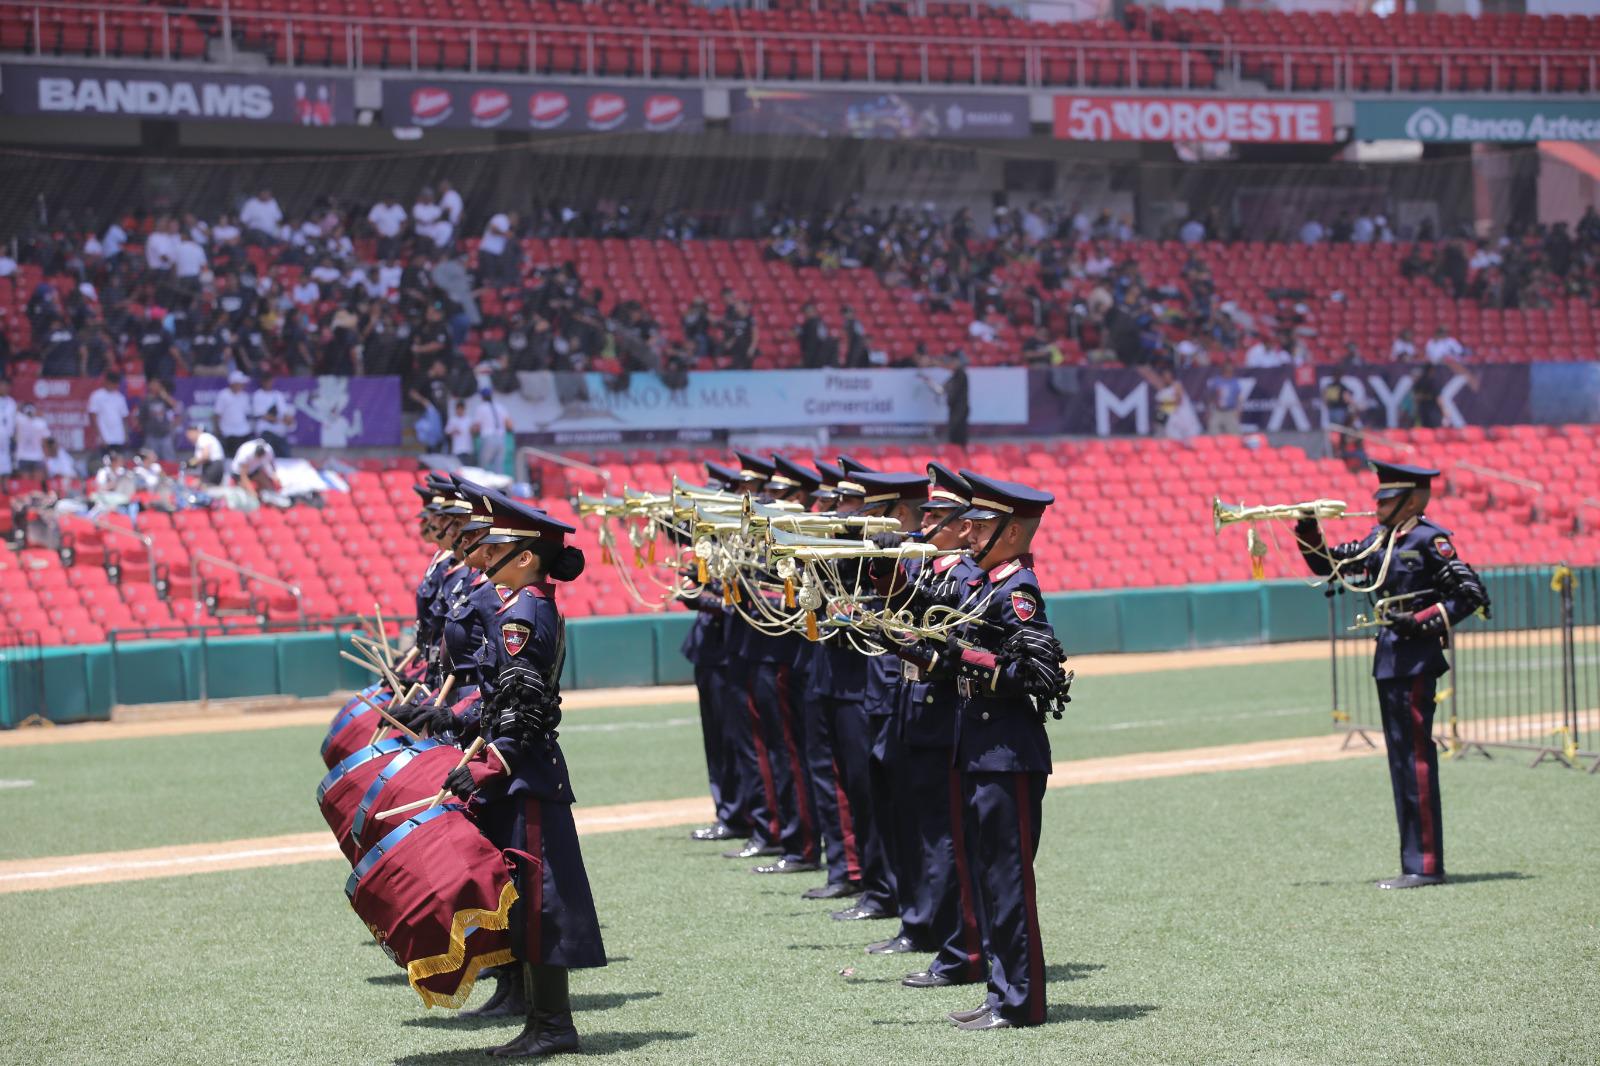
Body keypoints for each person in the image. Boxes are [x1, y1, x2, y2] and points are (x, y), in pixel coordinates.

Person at [440, 494, 606, 1058]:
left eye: (499, 546)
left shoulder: (524, 612)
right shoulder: (524, 605)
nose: (486, 554)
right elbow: (498, 698)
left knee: (540, 897)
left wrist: (489, 766)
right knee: (523, 898)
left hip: (525, 777)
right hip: (516, 775)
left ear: (528, 557)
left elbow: (525, 708)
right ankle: (539, 1019)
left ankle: (553, 1025)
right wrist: (453, 718)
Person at [918, 470, 1068, 1030]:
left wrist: (963, 659)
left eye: (982, 525)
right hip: (981, 748)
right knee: (990, 877)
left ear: (1011, 533)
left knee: (1010, 880)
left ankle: (1022, 1002)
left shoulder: (1017, 591)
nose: (971, 534)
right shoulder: (983, 585)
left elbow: (1040, 671)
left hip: (1009, 753)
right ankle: (1001, 990)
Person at [1294, 462, 1489, 889]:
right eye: (1378, 497)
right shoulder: (1379, 540)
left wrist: (1420, 622)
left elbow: (1470, 595)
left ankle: (1425, 865)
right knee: (1401, 761)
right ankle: (1414, 863)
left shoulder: (1429, 540)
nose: (1376, 504)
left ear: (1413, 500)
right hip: (1390, 659)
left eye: (1386, 498)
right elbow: (1331, 567)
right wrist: (1307, 529)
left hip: (1417, 659)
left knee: (1416, 760)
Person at [868, 464, 986, 989]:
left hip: (943, 715)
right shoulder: (932, 570)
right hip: (916, 708)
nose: (926, 522)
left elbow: (940, 639)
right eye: (928, 514)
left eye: (936, 516)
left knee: (946, 835)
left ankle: (946, 937)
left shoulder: (962, 577)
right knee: (920, 827)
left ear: (963, 526)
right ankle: (923, 924)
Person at [87, 371, 130, 459]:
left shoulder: (120, 397)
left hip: (119, 437)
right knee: (106, 463)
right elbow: (93, 417)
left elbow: (124, 418)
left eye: (116, 384)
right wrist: (100, 436)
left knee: (119, 463)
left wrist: (126, 435)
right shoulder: (97, 396)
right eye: (113, 384)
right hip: (105, 438)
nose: (115, 386)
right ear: (107, 382)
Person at [251, 373, 294, 457]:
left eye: (271, 381)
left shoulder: (278, 395)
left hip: (279, 432)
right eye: (267, 381)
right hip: (265, 432)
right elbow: (262, 415)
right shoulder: (258, 395)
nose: (270, 383)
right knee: (263, 456)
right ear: (263, 382)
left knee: (286, 456)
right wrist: (280, 420)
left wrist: (289, 420)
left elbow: (284, 412)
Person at [214, 371, 255, 457]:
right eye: (240, 383)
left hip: (243, 432)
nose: (242, 385)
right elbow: (217, 414)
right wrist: (218, 430)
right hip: (228, 432)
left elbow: (248, 414)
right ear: (234, 383)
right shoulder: (223, 395)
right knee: (230, 457)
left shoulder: (244, 396)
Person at [1205, 362, 1243, 435]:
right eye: (1228, 371)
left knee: (1235, 434)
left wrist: (1239, 411)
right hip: (1217, 411)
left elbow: (1239, 397)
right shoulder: (1216, 381)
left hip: (1230, 411)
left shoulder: (1234, 382)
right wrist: (1208, 410)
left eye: (1231, 371)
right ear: (1224, 371)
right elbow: (1210, 396)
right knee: (1213, 430)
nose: (1230, 373)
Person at [13, 404, 49, 476]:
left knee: (30, 484)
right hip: (32, 457)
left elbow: (15, 411)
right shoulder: (41, 423)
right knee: (32, 484)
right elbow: (45, 442)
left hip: (27, 457)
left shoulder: (20, 420)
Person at [445, 398, 477, 463]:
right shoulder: (453, 420)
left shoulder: (469, 420)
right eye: (458, 409)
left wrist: (473, 430)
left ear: (464, 409)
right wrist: (454, 431)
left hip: (468, 448)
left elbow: (474, 433)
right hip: (457, 449)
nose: (459, 411)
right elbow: (447, 432)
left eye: (461, 409)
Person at [0, 377, 18, 477]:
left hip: (6, 439)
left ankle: (5, 489)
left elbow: (14, 421)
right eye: (2, 385)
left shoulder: (12, 402)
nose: (4, 388)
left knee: (6, 464)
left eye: (7, 386)